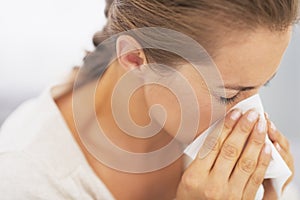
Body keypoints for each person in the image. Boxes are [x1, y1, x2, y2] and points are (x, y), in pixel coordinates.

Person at [0, 0, 298, 199]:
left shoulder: (193, 118)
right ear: (134, 58)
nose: (253, 117)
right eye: (229, 94)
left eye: (262, 86)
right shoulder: (25, 182)